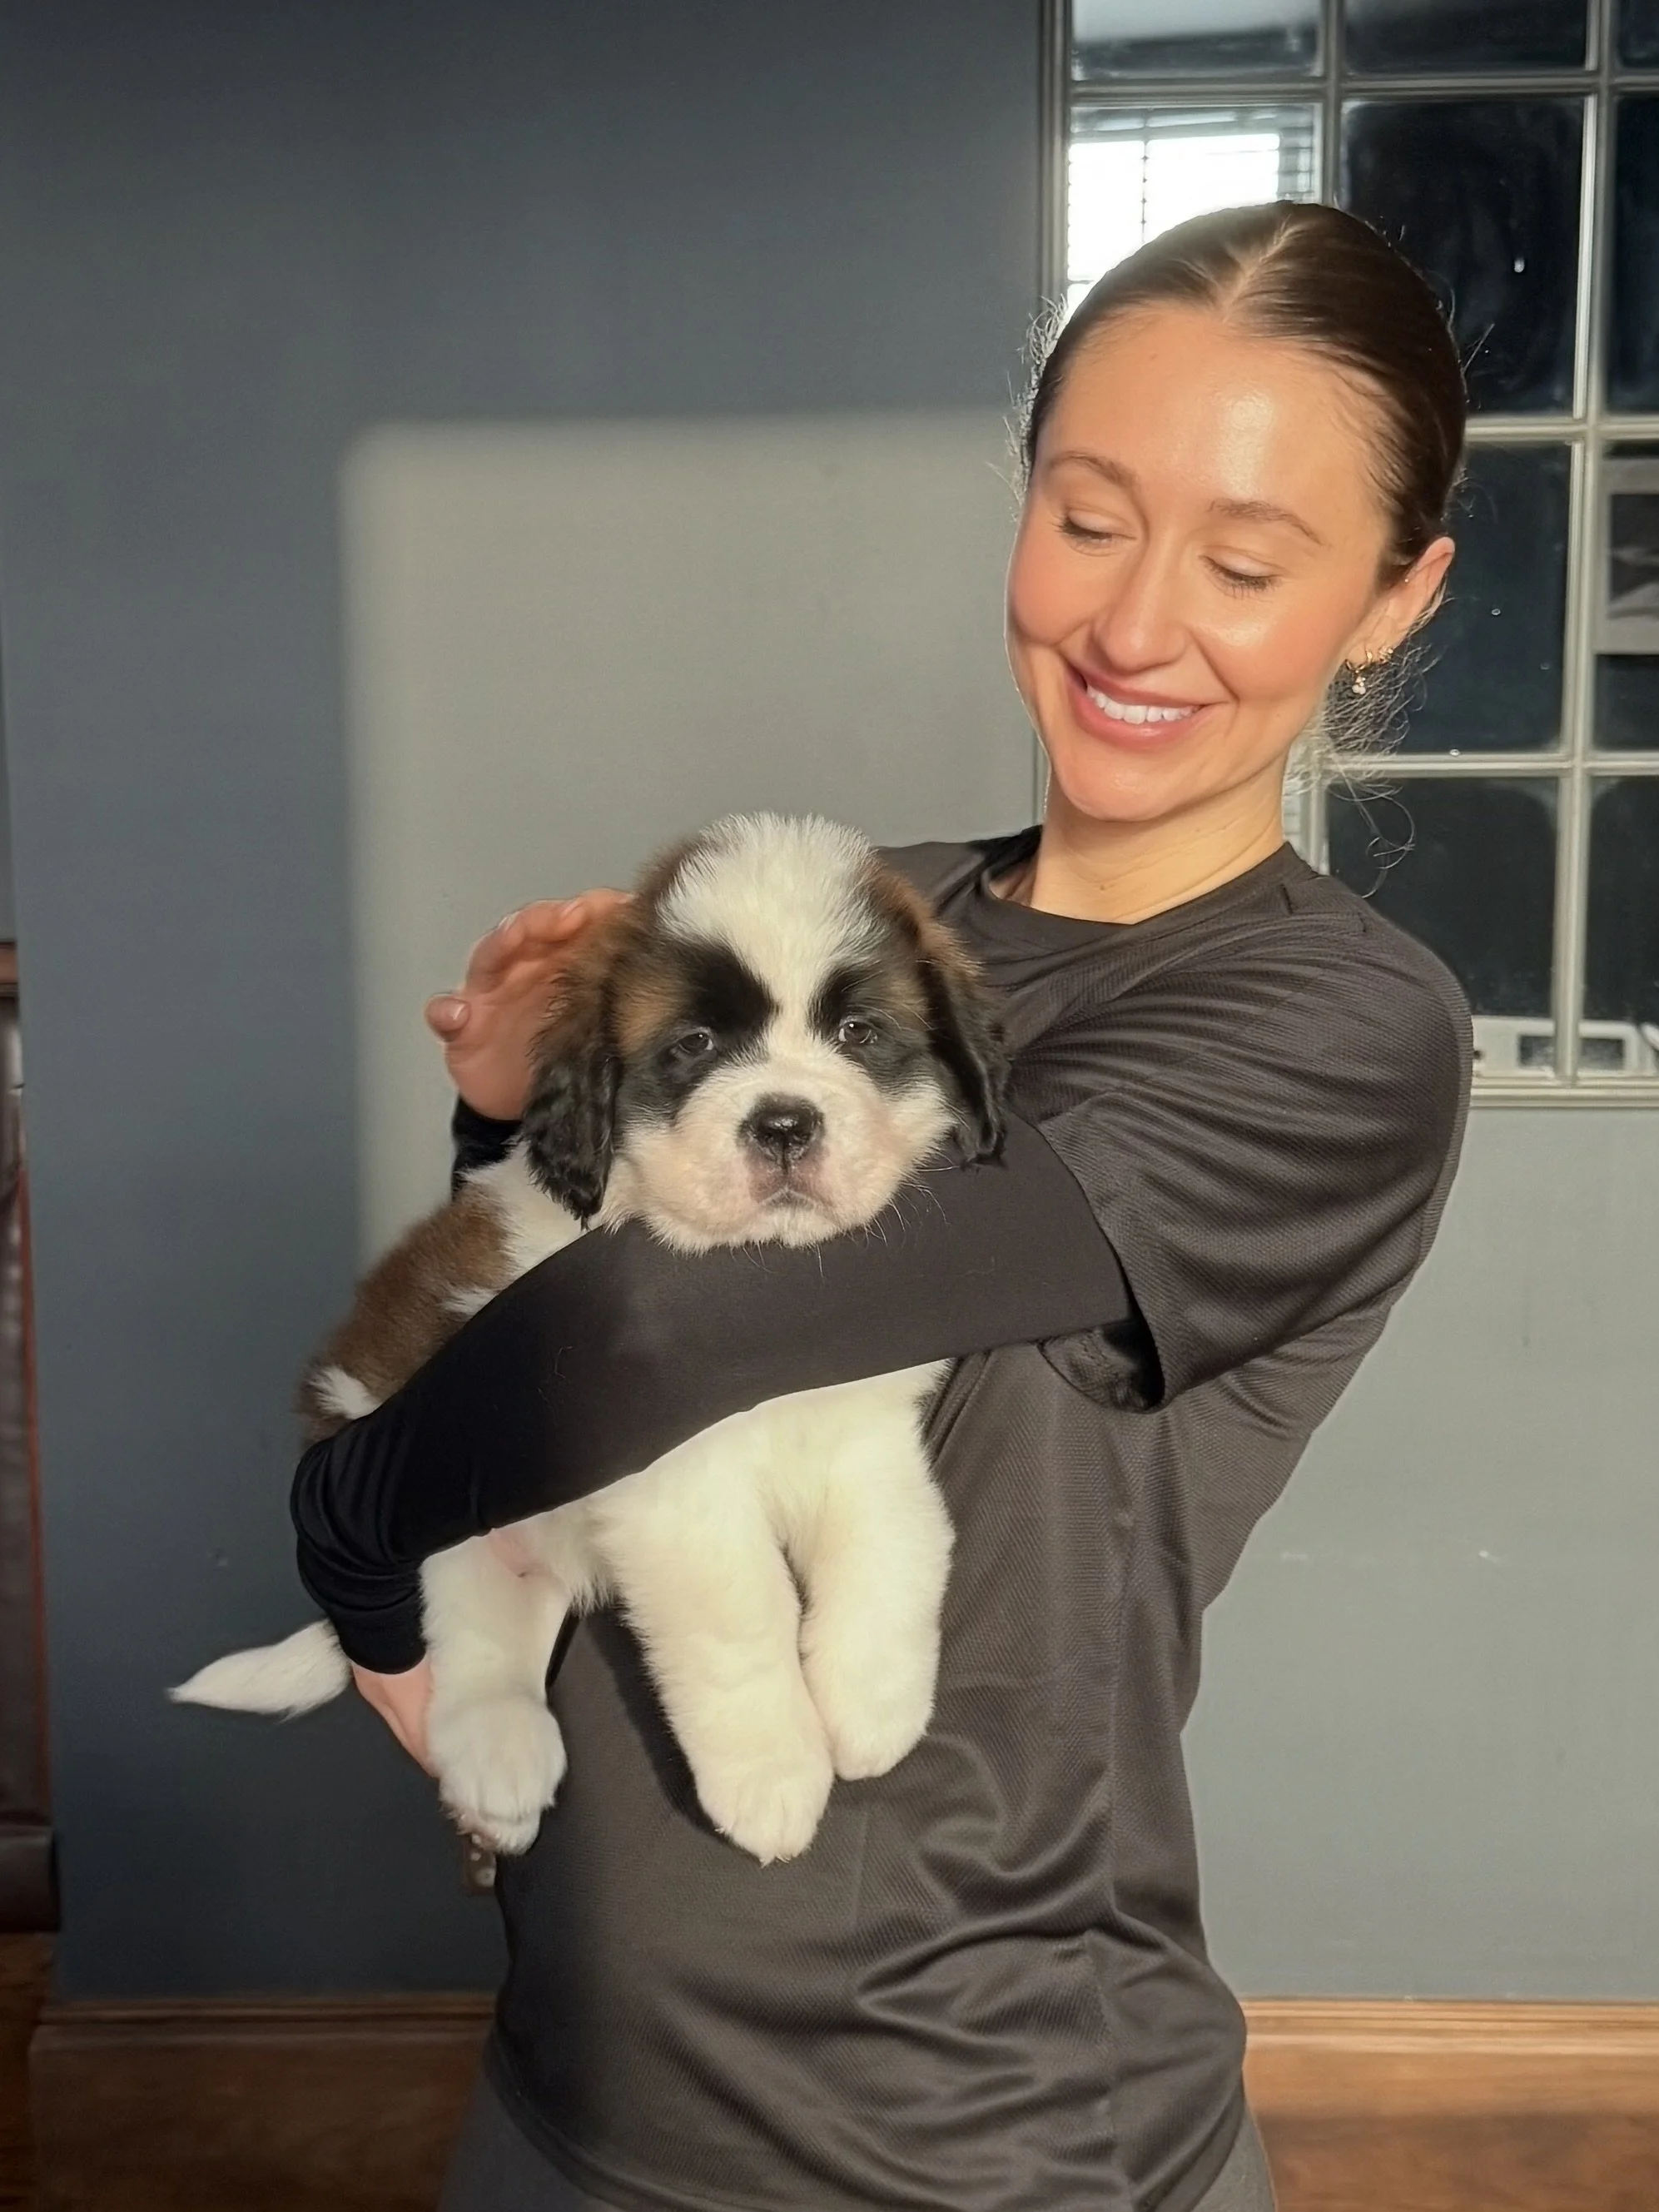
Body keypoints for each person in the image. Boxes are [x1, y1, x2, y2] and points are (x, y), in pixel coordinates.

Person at [293, 202, 1472, 2212]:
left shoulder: (1335, 1025)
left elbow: (656, 1334)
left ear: (1392, 597)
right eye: (1089, 514)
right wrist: (499, 1110)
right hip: (572, 2076)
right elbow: (541, 1281)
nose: (1134, 619)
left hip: (977, 2127)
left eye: (1249, 560)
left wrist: (343, 1529)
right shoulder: (851, 912)